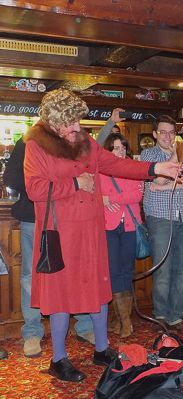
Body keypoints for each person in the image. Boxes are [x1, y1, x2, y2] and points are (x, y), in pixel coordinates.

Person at [24, 88, 179, 382]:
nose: (77, 128)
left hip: (91, 229)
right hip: (62, 233)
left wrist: (155, 167)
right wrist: (75, 182)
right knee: (62, 295)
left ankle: (101, 348)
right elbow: (34, 189)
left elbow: (115, 164)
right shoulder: (36, 146)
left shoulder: (84, 141)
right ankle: (58, 359)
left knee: (97, 286)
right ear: (54, 122)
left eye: (77, 122)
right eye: (70, 123)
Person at [3, 138, 96, 358]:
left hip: (70, 217)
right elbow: (12, 179)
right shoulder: (27, 142)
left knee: (73, 272)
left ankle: (83, 325)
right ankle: (33, 332)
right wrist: (48, 185)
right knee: (31, 277)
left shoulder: (73, 140)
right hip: (34, 218)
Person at [140, 115, 183, 335]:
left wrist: (166, 187)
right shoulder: (148, 154)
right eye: (162, 132)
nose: (167, 136)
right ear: (155, 134)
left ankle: (176, 317)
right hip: (160, 216)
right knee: (163, 269)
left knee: (182, 270)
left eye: (171, 132)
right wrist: (177, 154)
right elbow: (159, 179)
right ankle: (161, 316)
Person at [100, 133, 143, 338]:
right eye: (116, 147)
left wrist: (111, 198)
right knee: (113, 271)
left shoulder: (133, 167)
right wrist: (104, 199)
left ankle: (125, 320)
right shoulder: (101, 169)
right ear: (108, 150)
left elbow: (137, 194)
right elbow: (96, 195)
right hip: (108, 226)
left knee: (127, 270)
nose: (120, 151)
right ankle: (120, 318)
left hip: (130, 225)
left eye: (123, 147)